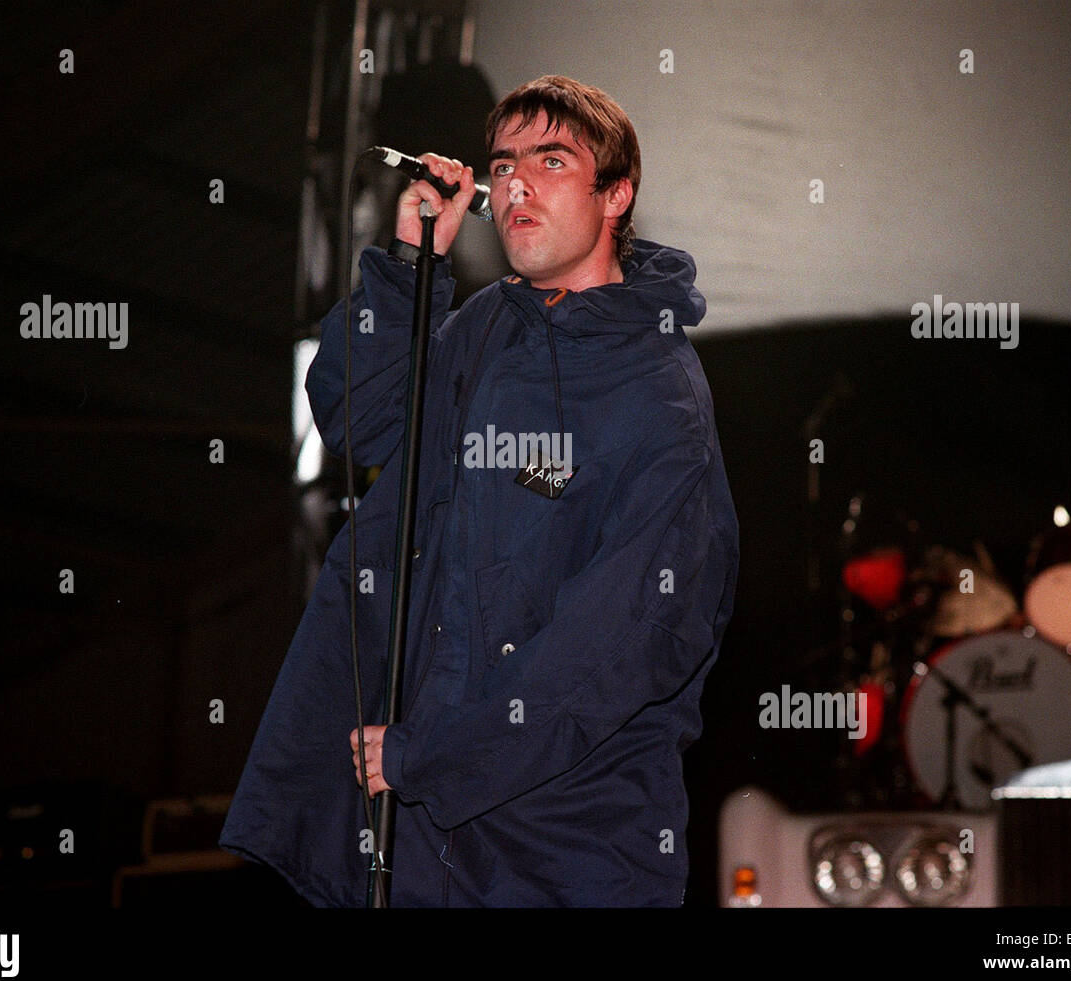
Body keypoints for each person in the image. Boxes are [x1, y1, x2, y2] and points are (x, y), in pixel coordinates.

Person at [220, 75, 739, 906]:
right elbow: (360, 422)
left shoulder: (660, 399)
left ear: (618, 194)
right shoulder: (487, 327)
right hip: (425, 841)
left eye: (553, 160)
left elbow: (616, 649)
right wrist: (406, 272)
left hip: (565, 854)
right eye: (502, 165)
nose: (517, 183)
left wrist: (432, 754)